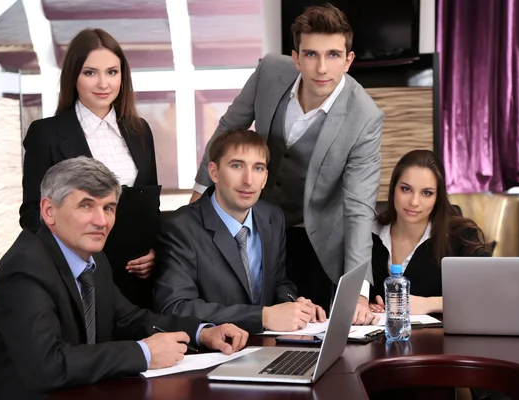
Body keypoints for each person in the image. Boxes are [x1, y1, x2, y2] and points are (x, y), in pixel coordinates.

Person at [0, 157, 248, 400]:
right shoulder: (25, 269)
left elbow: (130, 319)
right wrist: (143, 354)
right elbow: (47, 365)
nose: (101, 221)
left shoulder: (94, 258)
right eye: (86, 206)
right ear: (48, 211)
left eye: (109, 208)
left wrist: (202, 332)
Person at [190, 4, 383, 324]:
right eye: (311, 55)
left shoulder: (365, 118)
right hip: (254, 222)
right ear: (296, 57)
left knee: (310, 326)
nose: (321, 68)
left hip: (315, 235)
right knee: (247, 318)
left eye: (333, 55)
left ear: (349, 61)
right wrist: (199, 195)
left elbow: (360, 208)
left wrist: (359, 293)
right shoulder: (269, 72)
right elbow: (227, 128)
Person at [19, 28, 158, 308]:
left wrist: (157, 251)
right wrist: (71, 259)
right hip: (80, 276)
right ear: (74, 77)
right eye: (90, 72)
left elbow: (150, 205)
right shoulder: (46, 134)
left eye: (112, 72)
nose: (103, 83)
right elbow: (32, 213)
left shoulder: (139, 130)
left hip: (137, 278)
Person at [153, 129, 325, 334]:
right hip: (214, 352)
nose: (248, 180)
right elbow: (175, 307)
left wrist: (296, 307)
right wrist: (263, 317)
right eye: (237, 166)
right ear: (214, 172)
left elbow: (279, 282)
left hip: (267, 348)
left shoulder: (272, 217)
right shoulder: (181, 228)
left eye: (258, 168)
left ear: (265, 178)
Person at [368, 150, 492, 314]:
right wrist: (365, 306)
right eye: (406, 189)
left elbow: (487, 296)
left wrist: (428, 304)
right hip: (380, 337)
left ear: (438, 197)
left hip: (440, 338)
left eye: (427, 193)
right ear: (393, 189)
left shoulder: (462, 235)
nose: (414, 202)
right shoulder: (368, 234)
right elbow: (351, 296)